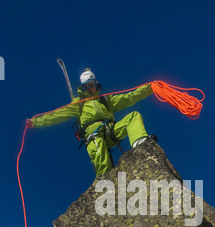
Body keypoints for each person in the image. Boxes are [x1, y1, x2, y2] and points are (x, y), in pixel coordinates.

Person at [26, 69, 154, 176]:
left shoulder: (104, 100)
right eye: (88, 85)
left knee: (133, 116)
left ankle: (140, 142)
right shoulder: (78, 104)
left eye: (92, 84)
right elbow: (57, 115)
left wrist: (149, 88)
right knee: (100, 152)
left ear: (96, 84)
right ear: (84, 87)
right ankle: (106, 181)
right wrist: (36, 122)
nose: (91, 88)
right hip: (94, 134)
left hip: (110, 130)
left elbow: (128, 98)